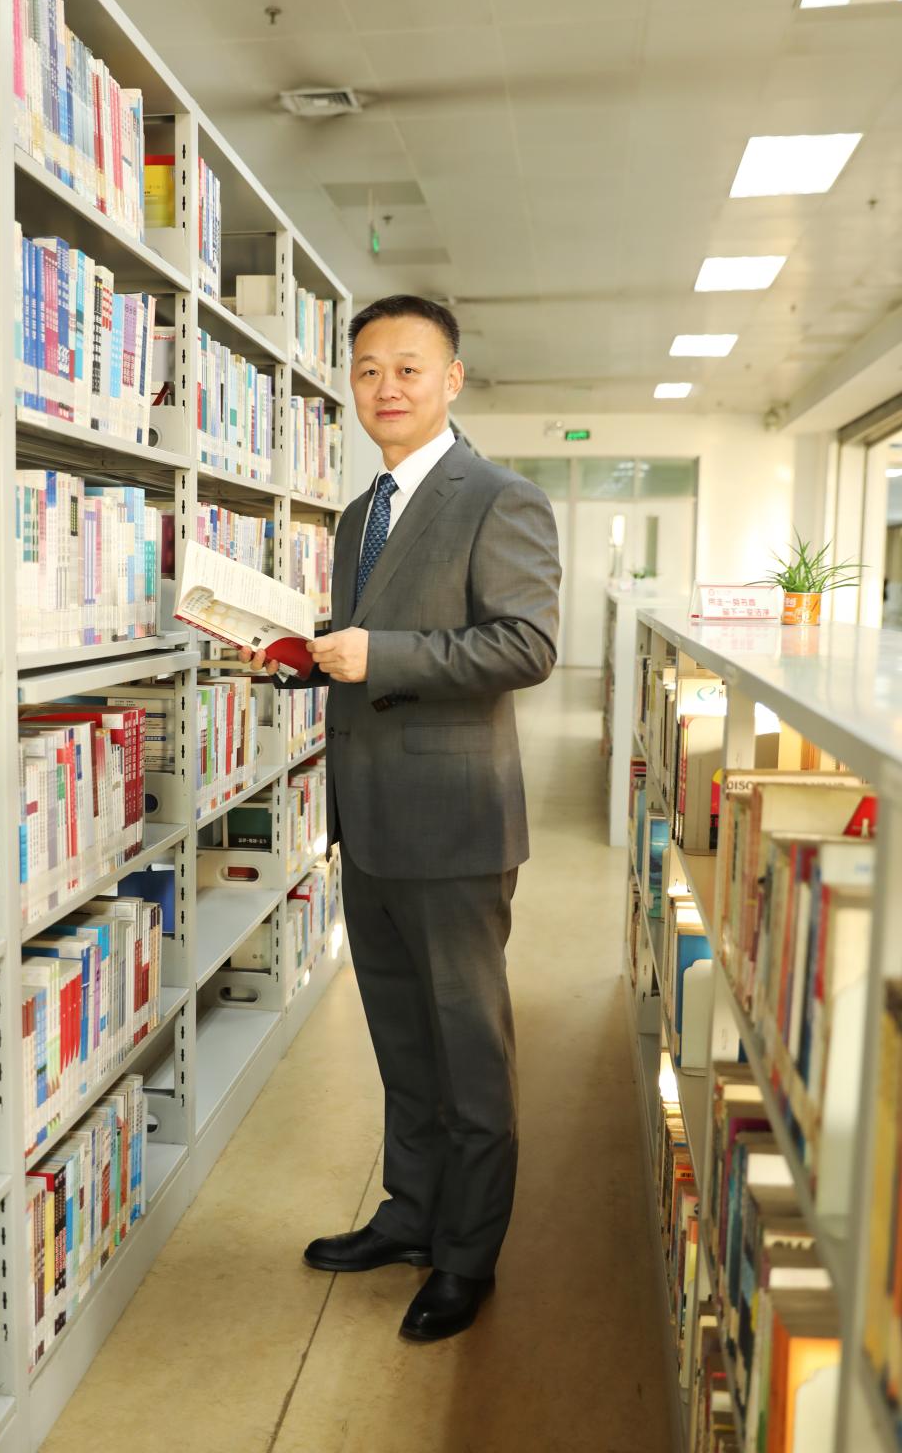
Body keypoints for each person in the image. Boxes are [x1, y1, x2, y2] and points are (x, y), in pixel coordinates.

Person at [240, 294, 560, 1343]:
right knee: (402, 1041)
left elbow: (525, 646)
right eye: (368, 369)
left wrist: (379, 655)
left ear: (452, 379)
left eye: (409, 368)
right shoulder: (357, 515)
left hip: (454, 826)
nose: (386, 387)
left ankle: (466, 1256)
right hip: (367, 819)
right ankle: (411, 1213)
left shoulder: (499, 498)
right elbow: (367, 645)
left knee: (469, 1053)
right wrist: (300, 658)